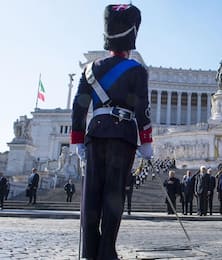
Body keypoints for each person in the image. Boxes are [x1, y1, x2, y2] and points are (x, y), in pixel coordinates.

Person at [70, 4, 153, 259]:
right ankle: (107, 251)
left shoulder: (90, 69)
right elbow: (142, 106)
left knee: (91, 193)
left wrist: (77, 140)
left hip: (95, 135)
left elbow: (79, 106)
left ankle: (89, 251)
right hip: (123, 136)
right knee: (113, 195)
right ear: (131, 40)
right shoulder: (137, 70)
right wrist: (146, 140)